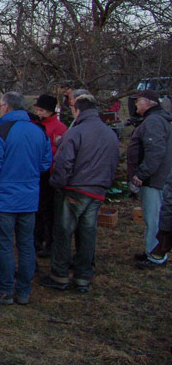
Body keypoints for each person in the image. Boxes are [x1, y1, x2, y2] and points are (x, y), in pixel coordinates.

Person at [39, 93, 119, 293]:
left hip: (75, 189)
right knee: (87, 233)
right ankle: (83, 276)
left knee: (63, 232)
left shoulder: (75, 133)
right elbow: (112, 162)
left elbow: (64, 163)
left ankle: (60, 275)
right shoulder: (109, 133)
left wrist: (56, 183)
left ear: (77, 110)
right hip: (97, 190)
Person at [0, 92, 52, 306]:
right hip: (29, 197)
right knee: (26, 244)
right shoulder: (39, 131)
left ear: (5, 107)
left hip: (4, 198)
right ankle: (23, 291)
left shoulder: (1, 131)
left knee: (4, 244)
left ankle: (4, 290)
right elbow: (46, 163)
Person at [127, 89, 172, 266]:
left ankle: (156, 255)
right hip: (159, 177)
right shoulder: (158, 119)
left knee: (154, 217)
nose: (135, 105)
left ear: (147, 102)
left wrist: (141, 174)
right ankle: (151, 250)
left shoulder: (153, 122)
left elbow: (155, 152)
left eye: (137, 101)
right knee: (153, 215)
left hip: (154, 179)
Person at [32, 94, 68, 258]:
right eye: (37, 110)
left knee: (48, 211)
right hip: (35, 173)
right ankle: (36, 239)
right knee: (36, 210)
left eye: (42, 110)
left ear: (50, 112)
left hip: (50, 175)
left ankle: (49, 242)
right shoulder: (33, 125)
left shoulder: (59, 128)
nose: (38, 113)